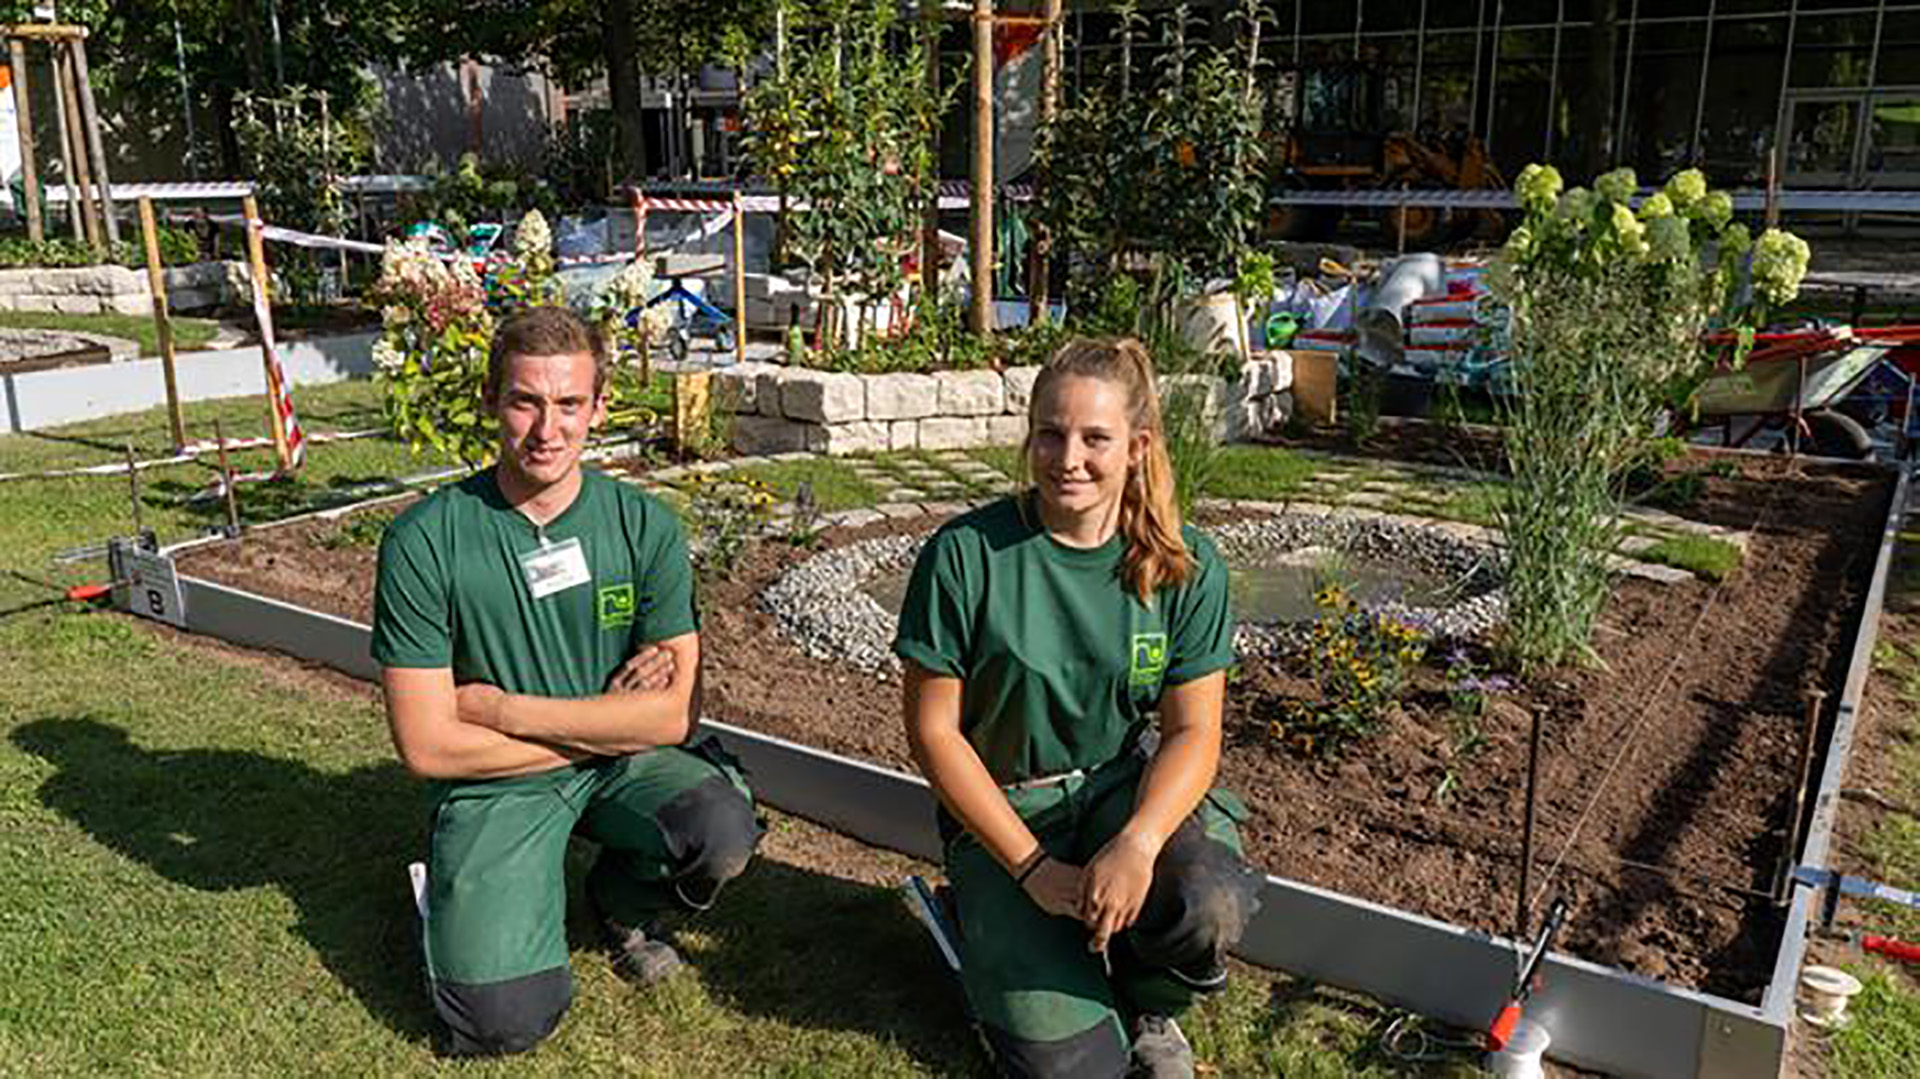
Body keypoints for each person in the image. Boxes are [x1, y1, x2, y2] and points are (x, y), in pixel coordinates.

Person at [372, 306, 759, 1056]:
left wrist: (498, 707)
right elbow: (427, 747)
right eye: (525, 401)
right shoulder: (425, 541)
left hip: (600, 762)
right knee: (501, 1020)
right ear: (490, 400)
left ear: (599, 407)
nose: (548, 429)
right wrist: (609, 724)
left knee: (721, 828)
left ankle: (622, 895)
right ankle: (462, 894)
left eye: (569, 403)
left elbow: (673, 718)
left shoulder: (643, 526)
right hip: (499, 782)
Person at [894, 337, 1263, 1079]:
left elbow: (1194, 731)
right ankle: (978, 923)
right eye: (1051, 433)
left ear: (1137, 446)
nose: (1069, 458)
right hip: (1004, 816)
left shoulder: (1183, 566)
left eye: (1096, 438)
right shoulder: (966, 555)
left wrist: (1137, 841)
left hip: (1115, 794)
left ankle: (1146, 997)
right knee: (1074, 1070)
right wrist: (1032, 869)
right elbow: (933, 734)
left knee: (1209, 900)